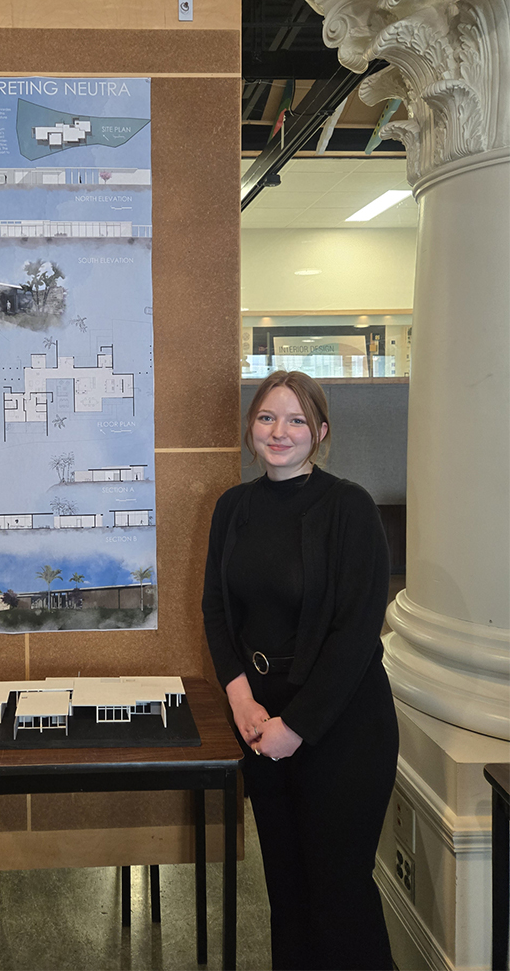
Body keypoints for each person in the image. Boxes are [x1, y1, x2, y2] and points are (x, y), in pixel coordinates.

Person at [202, 369, 398, 971]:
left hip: (342, 726)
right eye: (267, 417)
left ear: (321, 431)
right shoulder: (232, 507)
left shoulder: (349, 507)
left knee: (339, 897)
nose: (279, 431)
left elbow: (357, 633)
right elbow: (216, 609)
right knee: (286, 894)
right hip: (260, 723)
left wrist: (297, 727)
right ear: (251, 427)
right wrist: (241, 700)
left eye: (296, 420)